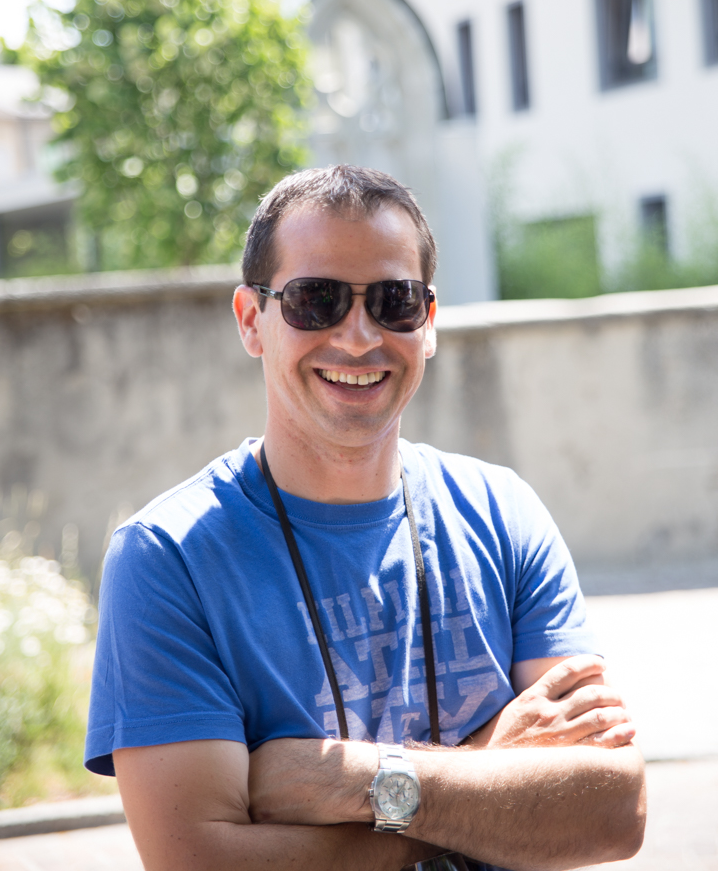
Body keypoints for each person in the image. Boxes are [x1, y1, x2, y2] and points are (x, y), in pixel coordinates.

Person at [86, 165, 645, 871]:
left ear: (429, 323)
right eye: (315, 300)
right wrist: (494, 765)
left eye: (393, 301)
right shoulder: (167, 559)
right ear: (252, 320)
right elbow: (202, 861)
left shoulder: (503, 513)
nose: (357, 337)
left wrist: (344, 782)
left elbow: (613, 810)